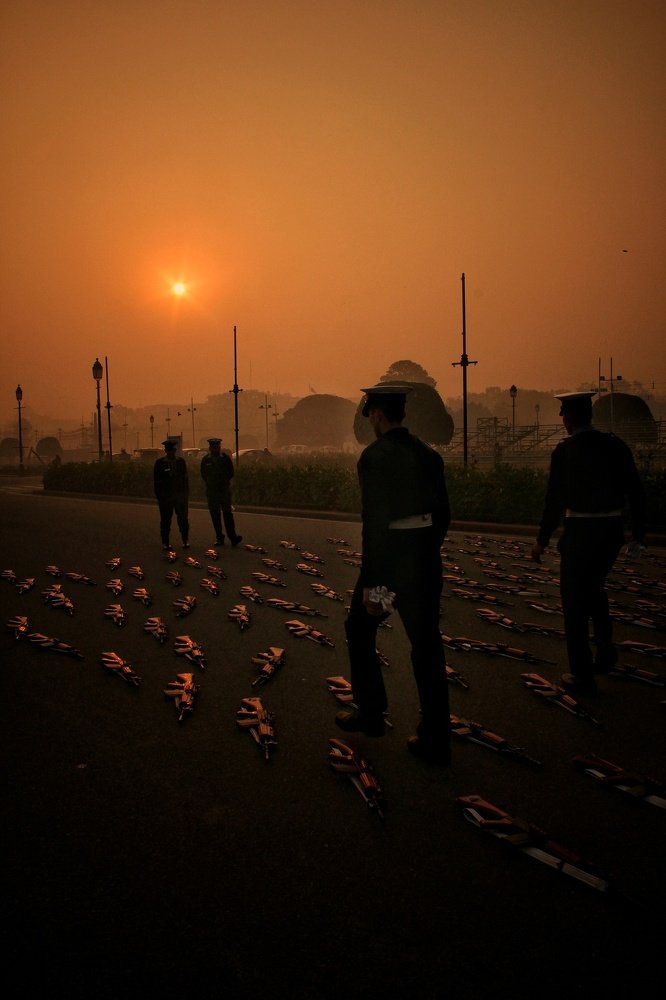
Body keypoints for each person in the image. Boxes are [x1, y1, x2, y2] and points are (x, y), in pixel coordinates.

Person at [335, 381, 452, 764]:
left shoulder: (375, 457)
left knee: (361, 627)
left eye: (370, 414)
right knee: (426, 645)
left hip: (390, 573)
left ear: (378, 415)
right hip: (422, 566)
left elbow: (376, 525)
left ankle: (371, 713)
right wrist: (425, 551)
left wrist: (374, 585)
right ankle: (435, 732)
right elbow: (443, 516)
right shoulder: (429, 457)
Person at [530, 391, 646, 697]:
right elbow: (635, 490)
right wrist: (639, 533)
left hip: (580, 529)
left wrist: (542, 539)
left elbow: (553, 501)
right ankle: (605, 643)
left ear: (568, 418)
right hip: (611, 530)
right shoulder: (615, 445)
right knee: (595, 587)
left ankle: (581, 673)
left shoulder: (565, 452)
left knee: (574, 602)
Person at [200, 438, 243, 546]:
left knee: (228, 514)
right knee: (215, 516)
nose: (216, 449)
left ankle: (233, 537)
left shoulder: (225, 459)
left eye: (217, 447)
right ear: (210, 448)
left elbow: (231, 472)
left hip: (224, 490)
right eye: (214, 447)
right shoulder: (206, 460)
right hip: (212, 491)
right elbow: (203, 474)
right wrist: (211, 482)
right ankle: (219, 537)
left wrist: (224, 481)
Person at [153, 439, 190, 550]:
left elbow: (185, 479)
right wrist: (160, 497)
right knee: (165, 521)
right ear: (165, 451)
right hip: (166, 497)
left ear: (175, 450)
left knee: (183, 520)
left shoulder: (181, 462)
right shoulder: (159, 463)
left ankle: (185, 540)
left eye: (172, 450)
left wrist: (185, 494)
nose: (171, 453)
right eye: (168, 451)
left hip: (180, 496)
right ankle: (165, 542)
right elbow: (156, 481)